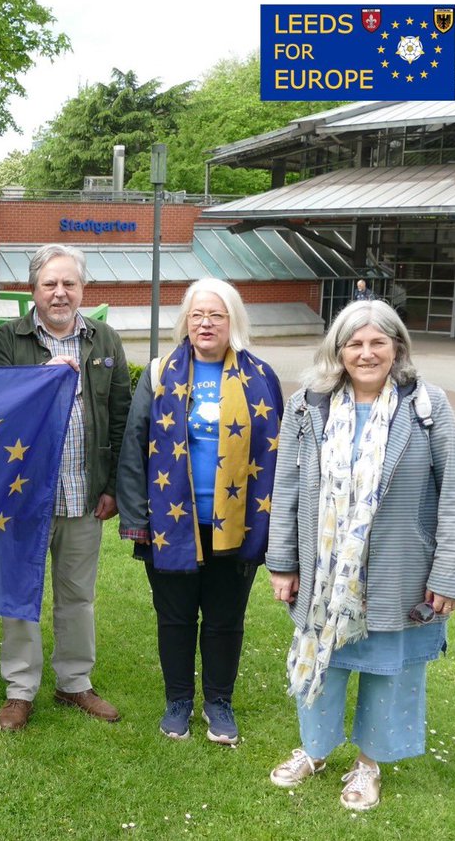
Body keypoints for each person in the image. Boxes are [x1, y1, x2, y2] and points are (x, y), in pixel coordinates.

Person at [266, 300, 455, 811]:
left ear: (397, 347)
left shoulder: (428, 405)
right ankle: (315, 750)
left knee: (389, 666)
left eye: (378, 342)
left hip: (401, 568)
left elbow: (454, 495)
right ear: (338, 350)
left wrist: (448, 572)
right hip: (324, 572)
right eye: (354, 343)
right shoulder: (307, 404)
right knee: (324, 659)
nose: (366, 353)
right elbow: (287, 488)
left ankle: (369, 764)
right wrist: (282, 562)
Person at [116, 278, 283, 744]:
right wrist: (136, 520)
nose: (205, 323)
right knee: (174, 616)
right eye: (197, 315)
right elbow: (134, 450)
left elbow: (279, 455)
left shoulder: (261, 377)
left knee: (225, 618)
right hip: (172, 524)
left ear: (234, 321)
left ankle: (218, 702)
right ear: (185, 322)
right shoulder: (158, 373)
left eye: (216, 315)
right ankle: (178, 701)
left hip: (238, 523)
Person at [0, 244, 131, 730]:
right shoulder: (7, 341)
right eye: (50, 284)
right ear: (33, 290)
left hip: (84, 493)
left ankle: (75, 684)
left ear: (83, 289)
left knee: (77, 596)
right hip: (24, 497)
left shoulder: (104, 341)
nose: (60, 293)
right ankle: (20, 690)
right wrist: (36, 381)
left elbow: (121, 419)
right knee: (21, 593)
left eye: (69, 284)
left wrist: (112, 487)